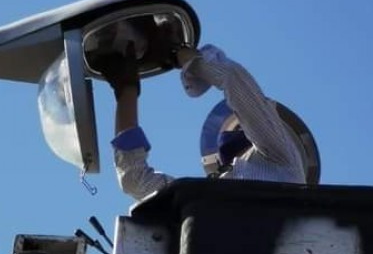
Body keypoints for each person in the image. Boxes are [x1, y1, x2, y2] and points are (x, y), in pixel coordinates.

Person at [96, 42, 306, 202]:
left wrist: (184, 57)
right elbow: (135, 180)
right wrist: (127, 91)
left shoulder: (286, 162)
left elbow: (235, 83)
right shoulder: (207, 198)